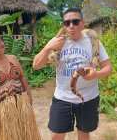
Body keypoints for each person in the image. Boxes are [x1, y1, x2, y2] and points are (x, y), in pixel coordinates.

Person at [33, 8, 112, 140]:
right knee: (56, 134)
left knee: (83, 133)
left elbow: (108, 68)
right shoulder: (56, 42)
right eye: (67, 23)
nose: (71, 26)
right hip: (62, 97)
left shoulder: (94, 41)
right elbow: (36, 66)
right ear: (63, 25)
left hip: (89, 97)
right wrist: (48, 47)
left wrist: (96, 74)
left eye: (75, 22)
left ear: (82, 23)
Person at [0, 33, 41, 140]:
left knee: (26, 135)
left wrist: (29, 94)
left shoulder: (12, 58)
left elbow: (22, 77)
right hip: (1, 108)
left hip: (21, 104)